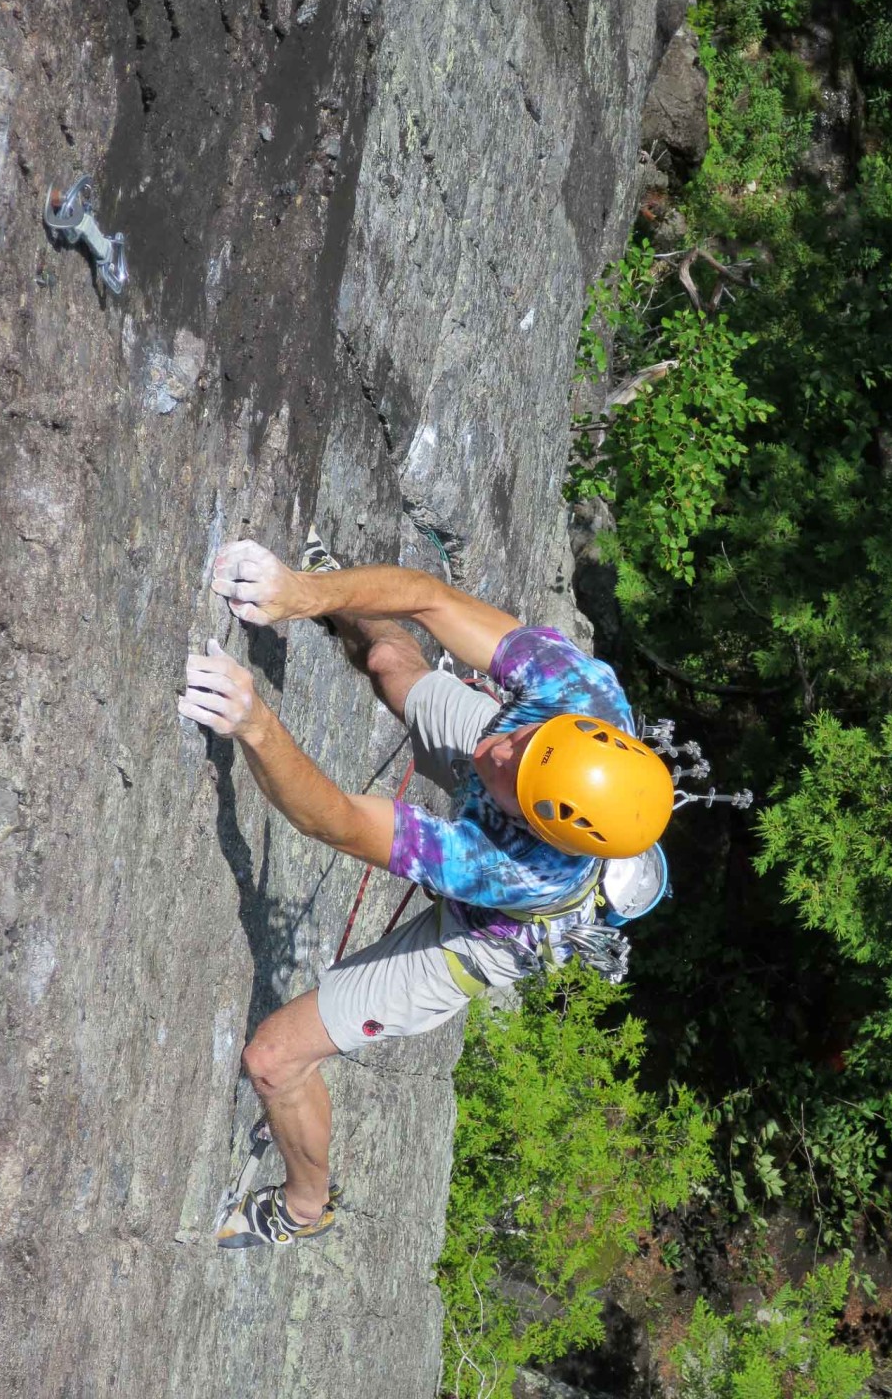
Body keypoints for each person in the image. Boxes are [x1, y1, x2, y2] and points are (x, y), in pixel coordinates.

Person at [178, 531, 673, 1249]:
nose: (492, 750)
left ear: (542, 824)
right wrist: (305, 594)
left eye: (512, 769)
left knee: (274, 1060)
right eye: (523, 740)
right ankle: (330, 590)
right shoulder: (578, 693)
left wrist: (255, 723)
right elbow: (434, 601)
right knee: (389, 660)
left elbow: (341, 822)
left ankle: (305, 1208)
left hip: (485, 933)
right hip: (523, 795)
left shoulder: (517, 865)